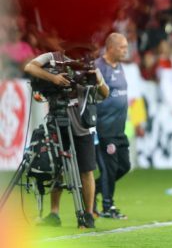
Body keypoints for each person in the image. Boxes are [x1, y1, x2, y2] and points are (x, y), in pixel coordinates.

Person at [24, 47, 110, 228]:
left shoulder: (89, 64)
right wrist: (54, 78)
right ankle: (54, 213)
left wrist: (97, 80)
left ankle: (88, 215)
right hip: (57, 119)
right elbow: (30, 67)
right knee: (57, 168)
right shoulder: (54, 57)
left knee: (86, 170)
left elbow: (105, 93)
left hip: (82, 123)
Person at [93, 33, 130, 219]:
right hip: (104, 128)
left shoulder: (119, 66)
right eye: (122, 47)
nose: (126, 50)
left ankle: (93, 190)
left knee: (124, 166)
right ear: (111, 48)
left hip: (119, 129)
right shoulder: (98, 67)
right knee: (109, 168)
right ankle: (108, 207)